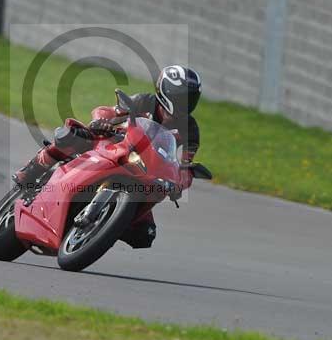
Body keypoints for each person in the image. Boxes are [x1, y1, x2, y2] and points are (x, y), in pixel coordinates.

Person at [13, 66, 203, 249]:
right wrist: (100, 121)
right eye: (183, 98)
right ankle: (31, 170)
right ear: (166, 91)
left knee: (145, 235)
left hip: (146, 172)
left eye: (191, 99)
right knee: (73, 134)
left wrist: (178, 183)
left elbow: (186, 168)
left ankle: (107, 224)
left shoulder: (191, 129)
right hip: (115, 144)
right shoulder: (144, 101)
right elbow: (109, 111)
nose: (186, 103)